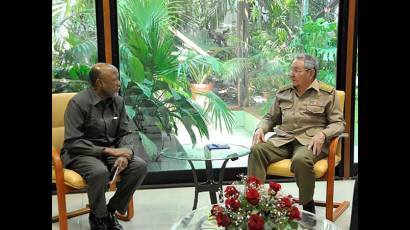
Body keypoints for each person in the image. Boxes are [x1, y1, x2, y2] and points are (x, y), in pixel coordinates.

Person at [248, 53, 345, 214]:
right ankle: (253, 203)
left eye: (296, 70)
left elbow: (338, 123)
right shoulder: (283, 93)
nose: (291, 74)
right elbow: (270, 118)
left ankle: (307, 205)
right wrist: (261, 128)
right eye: (291, 69)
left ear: (311, 72)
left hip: (309, 142)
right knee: (256, 150)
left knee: (300, 160)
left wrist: (323, 134)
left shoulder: (327, 94)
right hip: (283, 140)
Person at [61, 63, 149, 230]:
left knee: (139, 166)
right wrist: (109, 150)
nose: (119, 83)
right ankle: (98, 217)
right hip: (80, 153)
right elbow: (73, 142)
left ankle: (110, 210)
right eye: (114, 80)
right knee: (99, 172)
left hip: (111, 151)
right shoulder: (78, 103)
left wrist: (124, 155)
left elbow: (125, 133)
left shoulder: (118, 101)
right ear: (99, 83)